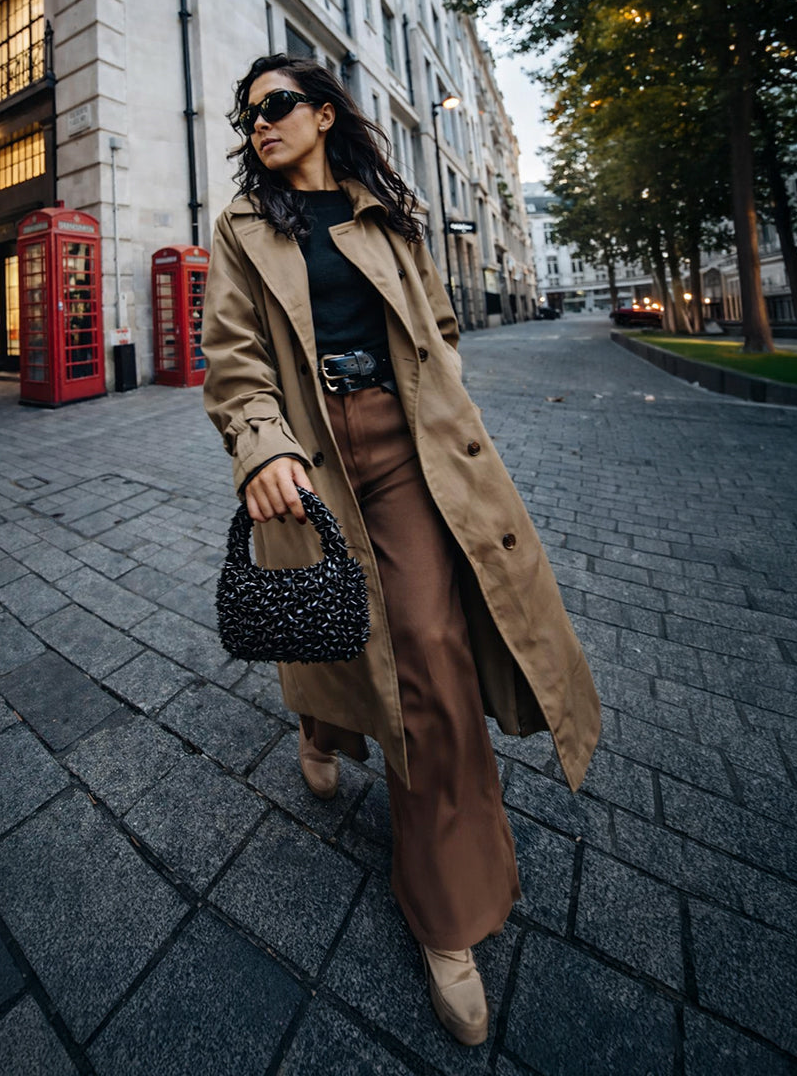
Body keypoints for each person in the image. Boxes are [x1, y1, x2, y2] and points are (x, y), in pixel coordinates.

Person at [202, 55, 600, 1047]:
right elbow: (234, 357)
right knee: (333, 621)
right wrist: (261, 445)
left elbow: (440, 324)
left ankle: (450, 912)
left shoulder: (389, 211)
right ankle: (324, 725)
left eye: (276, 105)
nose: (260, 124)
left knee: (428, 650)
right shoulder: (243, 227)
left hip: (410, 449)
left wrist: (436, 399)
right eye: (247, 115)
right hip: (309, 450)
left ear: (323, 112)